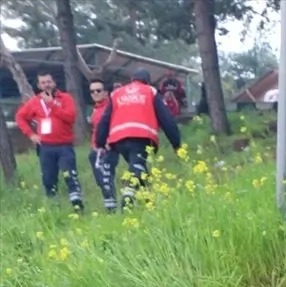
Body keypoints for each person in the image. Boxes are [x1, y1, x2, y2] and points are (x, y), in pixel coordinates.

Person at [94, 68, 182, 209]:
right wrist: (176, 144)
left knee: (140, 169)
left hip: (119, 138)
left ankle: (150, 204)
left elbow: (105, 119)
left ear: (132, 79)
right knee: (137, 168)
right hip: (142, 137)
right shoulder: (150, 91)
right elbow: (167, 119)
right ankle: (128, 196)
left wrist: (100, 142)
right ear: (147, 81)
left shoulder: (117, 93)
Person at [15, 71, 83, 212]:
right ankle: (54, 208)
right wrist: (31, 135)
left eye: (49, 82)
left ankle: (78, 206)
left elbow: (70, 117)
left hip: (64, 145)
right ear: (39, 85)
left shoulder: (65, 98)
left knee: (70, 175)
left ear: (54, 83)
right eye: (43, 82)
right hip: (45, 146)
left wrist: (52, 104)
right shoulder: (34, 101)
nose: (46, 85)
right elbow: (20, 117)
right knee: (48, 179)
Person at [87, 79, 119, 213]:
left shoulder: (110, 107)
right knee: (101, 180)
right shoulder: (96, 109)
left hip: (108, 148)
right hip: (96, 149)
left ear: (106, 92)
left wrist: (110, 142)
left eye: (98, 90)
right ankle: (110, 204)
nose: (95, 93)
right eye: (92, 91)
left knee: (106, 177)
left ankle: (112, 209)